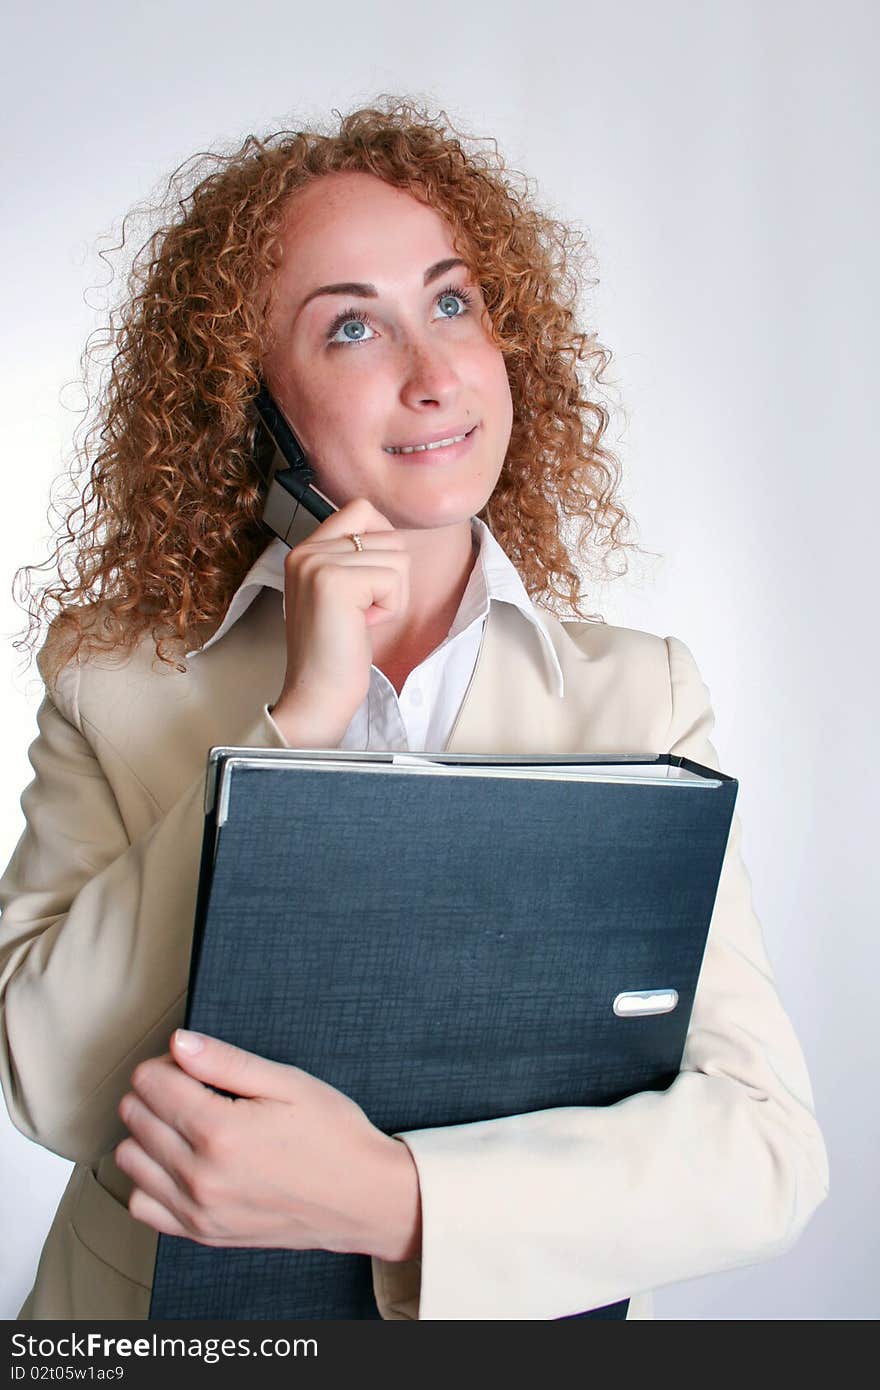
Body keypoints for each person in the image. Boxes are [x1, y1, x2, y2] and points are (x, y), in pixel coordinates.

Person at [0, 98, 828, 1322]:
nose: (435, 374)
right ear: (256, 410)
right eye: (350, 328)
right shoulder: (114, 682)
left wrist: (394, 1198)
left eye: (452, 303)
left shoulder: (634, 697)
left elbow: (763, 1156)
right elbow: (50, 1081)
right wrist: (295, 727)